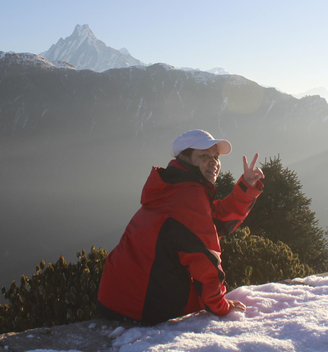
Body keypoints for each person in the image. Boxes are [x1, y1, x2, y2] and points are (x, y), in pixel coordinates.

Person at [96, 129, 265, 325]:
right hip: (137, 306)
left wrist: (246, 187)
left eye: (215, 156)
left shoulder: (174, 186)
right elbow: (206, 261)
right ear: (185, 158)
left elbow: (211, 221)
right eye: (204, 156)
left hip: (115, 296)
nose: (214, 162)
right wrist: (221, 307)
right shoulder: (188, 197)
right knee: (199, 305)